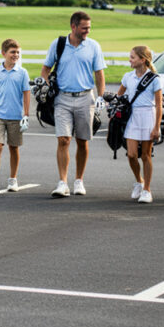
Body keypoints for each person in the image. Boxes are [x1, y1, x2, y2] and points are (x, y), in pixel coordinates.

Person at [39, 11, 106, 197]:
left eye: (89, 28)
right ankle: (62, 183)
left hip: (86, 97)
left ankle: (79, 181)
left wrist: (101, 97)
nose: (87, 31)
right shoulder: (58, 44)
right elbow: (45, 69)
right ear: (73, 26)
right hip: (62, 98)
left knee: (83, 141)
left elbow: (99, 73)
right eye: (84, 28)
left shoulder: (93, 46)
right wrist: (44, 86)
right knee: (63, 139)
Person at [0, 39, 31, 193]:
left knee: (13, 148)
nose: (16, 55)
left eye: (17, 52)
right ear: (4, 53)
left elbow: (27, 95)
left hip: (16, 116)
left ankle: (12, 179)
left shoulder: (22, 73)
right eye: (12, 52)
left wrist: (26, 114)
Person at [116, 45, 163, 204]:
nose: (130, 60)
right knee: (131, 154)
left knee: (146, 155)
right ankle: (139, 181)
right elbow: (119, 96)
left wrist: (157, 127)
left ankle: (147, 190)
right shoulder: (128, 76)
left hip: (148, 116)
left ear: (142, 59)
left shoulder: (154, 79)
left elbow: (158, 105)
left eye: (133, 57)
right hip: (132, 117)